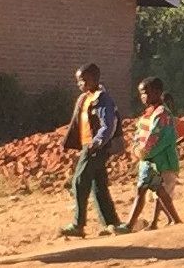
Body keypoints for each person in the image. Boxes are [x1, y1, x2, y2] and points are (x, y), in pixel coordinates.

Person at [59, 63, 124, 238]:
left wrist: (98, 141)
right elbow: (78, 123)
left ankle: (78, 224)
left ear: (95, 79)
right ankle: (112, 223)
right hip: (88, 144)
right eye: (78, 81)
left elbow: (108, 124)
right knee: (98, 184)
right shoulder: (84, 98)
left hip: (97, 147)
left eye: (83, 80)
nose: (80, 84)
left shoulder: (102, 99)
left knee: (79, 181)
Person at [114, 77, 182, 234]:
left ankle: (131, 225)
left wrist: (143, 151)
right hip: (148, 160)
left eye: (146, 93)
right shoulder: (148, 114)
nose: (143, 97)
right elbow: (140, 134)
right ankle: (173, 220)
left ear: (157, 92)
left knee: (149, 190)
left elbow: (157, 138)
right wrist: (136, 147)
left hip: (159, 161)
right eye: (141, 94)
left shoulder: (162, 114)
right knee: (152, 191)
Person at [149, 92, 184, 230]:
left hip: (165, 162)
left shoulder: (168, 120)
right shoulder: (166, 120)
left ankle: (158, 221)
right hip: (162, 162)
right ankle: (167, 219)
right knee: (161, 193)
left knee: (161, 193)